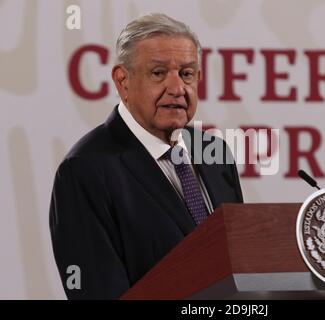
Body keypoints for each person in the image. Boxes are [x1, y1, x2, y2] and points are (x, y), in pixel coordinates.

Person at [49, 13, 243, 300]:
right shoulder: (84, 169)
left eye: (187, 74)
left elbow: (243, 265)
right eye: (158, 73)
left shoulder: (215, 153)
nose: (177, 89)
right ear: (122, 81)